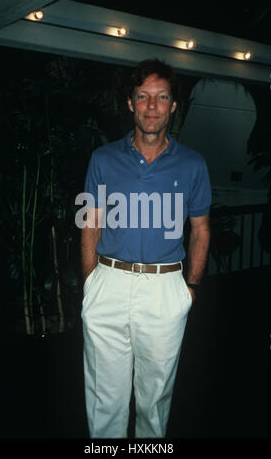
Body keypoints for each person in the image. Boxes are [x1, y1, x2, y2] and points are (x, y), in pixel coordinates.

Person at [80, 58, 211, 438]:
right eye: (143, 97)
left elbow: (200, 229)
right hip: (108, 283)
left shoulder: (192, 164)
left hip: (164, 288)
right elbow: (90, 223)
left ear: (173, 106)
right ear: (130, 103)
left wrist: (190, 288)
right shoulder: (103, 159)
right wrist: (92, 285)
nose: (151, 106)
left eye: (161, 97)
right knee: (104, 398)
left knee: (155, 399)